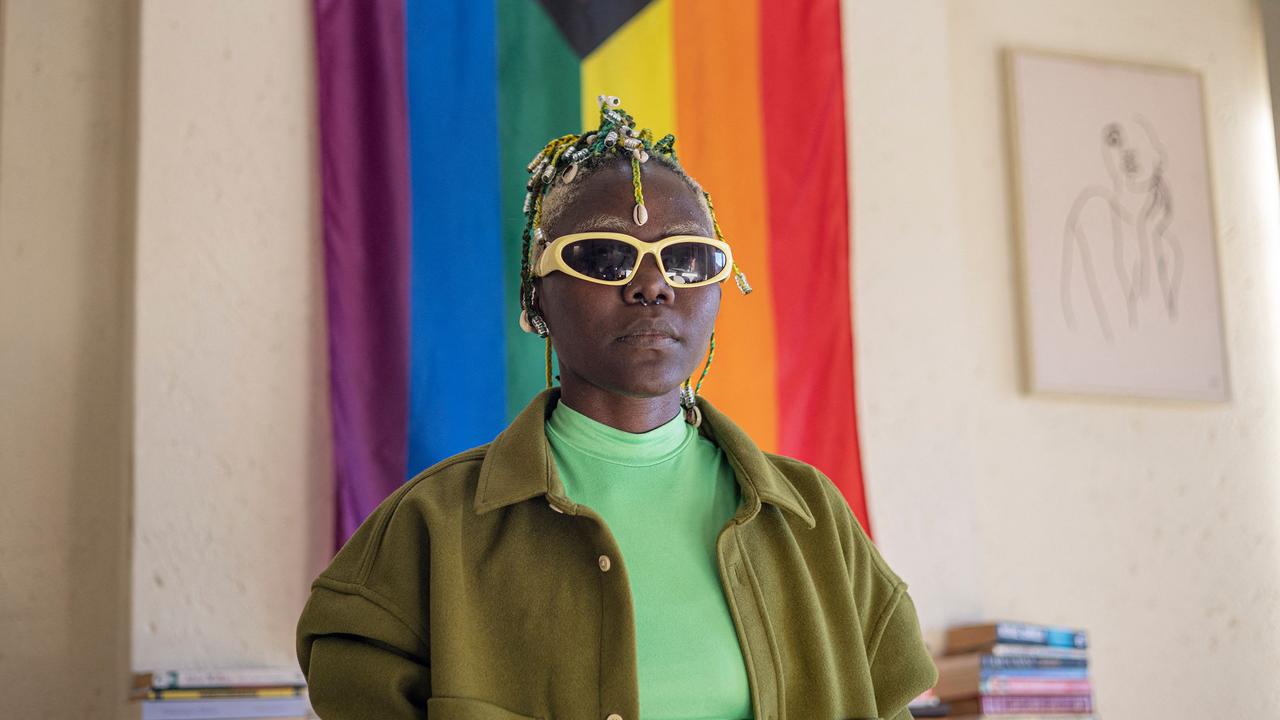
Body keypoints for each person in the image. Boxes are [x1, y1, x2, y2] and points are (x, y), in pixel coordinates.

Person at [296, 96, 936, 720]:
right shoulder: (429, 530)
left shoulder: (814, 522)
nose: (652, 284)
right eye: (604, 257)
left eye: (687, 260)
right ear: (538, 297)